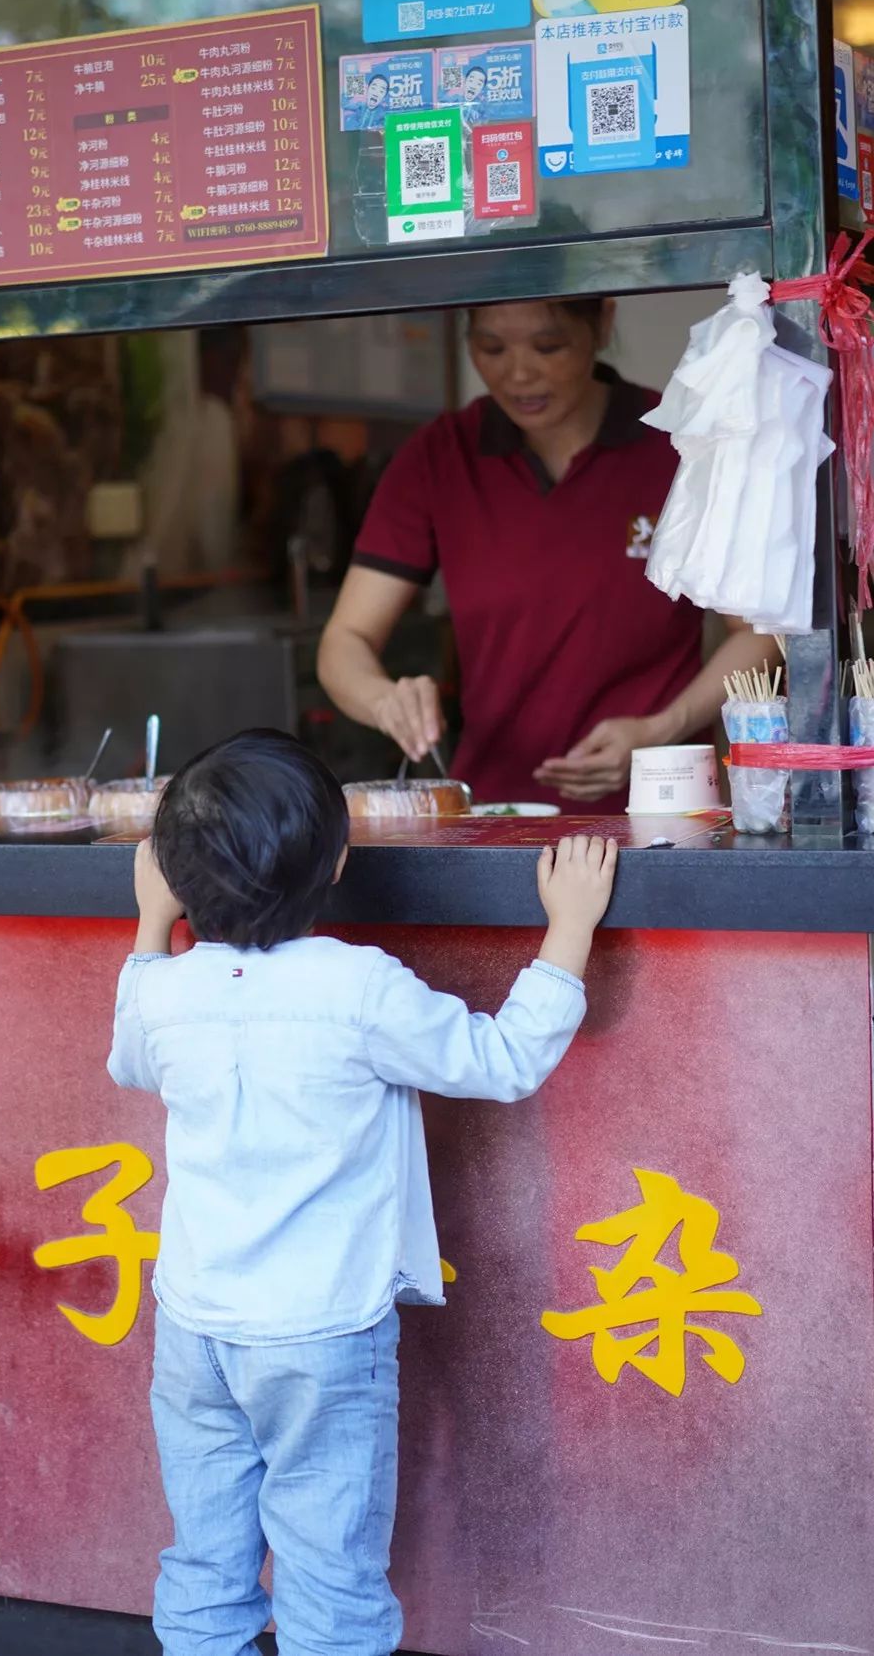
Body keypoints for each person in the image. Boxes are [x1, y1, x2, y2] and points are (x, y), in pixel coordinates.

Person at [107, 728, 617, 1656]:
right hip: (322, 1333)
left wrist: (151, 923)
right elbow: (500, 1061)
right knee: (330, 1580)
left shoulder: (161, 993)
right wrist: (570, 929)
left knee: (204, 1564)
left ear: (174, 877)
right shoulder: (357, 987)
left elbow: (131, 1054)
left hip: (195, 1327)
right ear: (339, 860)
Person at [318, 297, 775, 812]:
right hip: (493, 814)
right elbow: (345, 641)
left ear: (602, 323)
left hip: (663, 807)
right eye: (491, 347)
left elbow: (759, 630)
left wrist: (660, 728)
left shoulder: (677, 445)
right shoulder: (440, 457)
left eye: (548, 345)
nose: (518, 374)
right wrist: (385, 701)